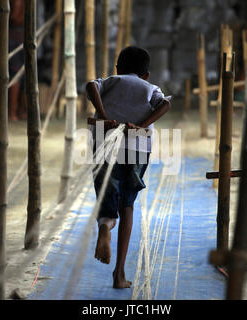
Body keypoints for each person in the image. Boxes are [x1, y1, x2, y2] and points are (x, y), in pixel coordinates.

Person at [86, 46, 171, 289]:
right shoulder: (150, 88)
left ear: (118, 69)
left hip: (104, 142)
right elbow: (164, 104)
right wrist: (140, 125)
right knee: (128, 205)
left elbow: (91, 86)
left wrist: (103, 115)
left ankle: (105, 225)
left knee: (107, 197)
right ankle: (119, 273)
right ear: (145, 74)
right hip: (137, 147)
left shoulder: (110, 81)